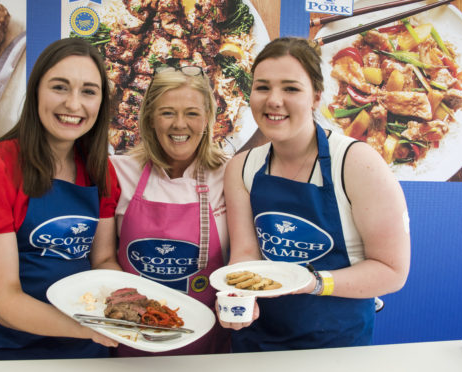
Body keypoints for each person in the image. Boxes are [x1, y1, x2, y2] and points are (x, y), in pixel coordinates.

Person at [221, 37, 411, 351]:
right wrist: (237, 294)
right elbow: (245, 255)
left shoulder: (356, 163)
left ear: (316, 97)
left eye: (291, 89)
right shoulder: (241, 167)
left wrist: (315, 282)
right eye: (263, 87)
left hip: (335, 345)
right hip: (257, 340)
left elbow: (392, 271)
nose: (274, 100)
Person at [0, 38, 122, 360]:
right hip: (9, 348)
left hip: (85, 348)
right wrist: (91, 328)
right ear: (36, 92)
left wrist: (129, 299)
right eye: (60, 87)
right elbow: (4, 301)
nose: (73, 104)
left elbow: (102, 261)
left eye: (88, 91)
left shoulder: (101, 171)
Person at [110, 65, 231, 356]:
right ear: (150, 118)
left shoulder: (230, 174)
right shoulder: (117, 171)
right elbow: (102, 257)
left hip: (205, 340)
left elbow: (241, 260)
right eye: (167, 113)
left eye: (191, 113)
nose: (180, 124)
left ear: (207, 120)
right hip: (132, 337)